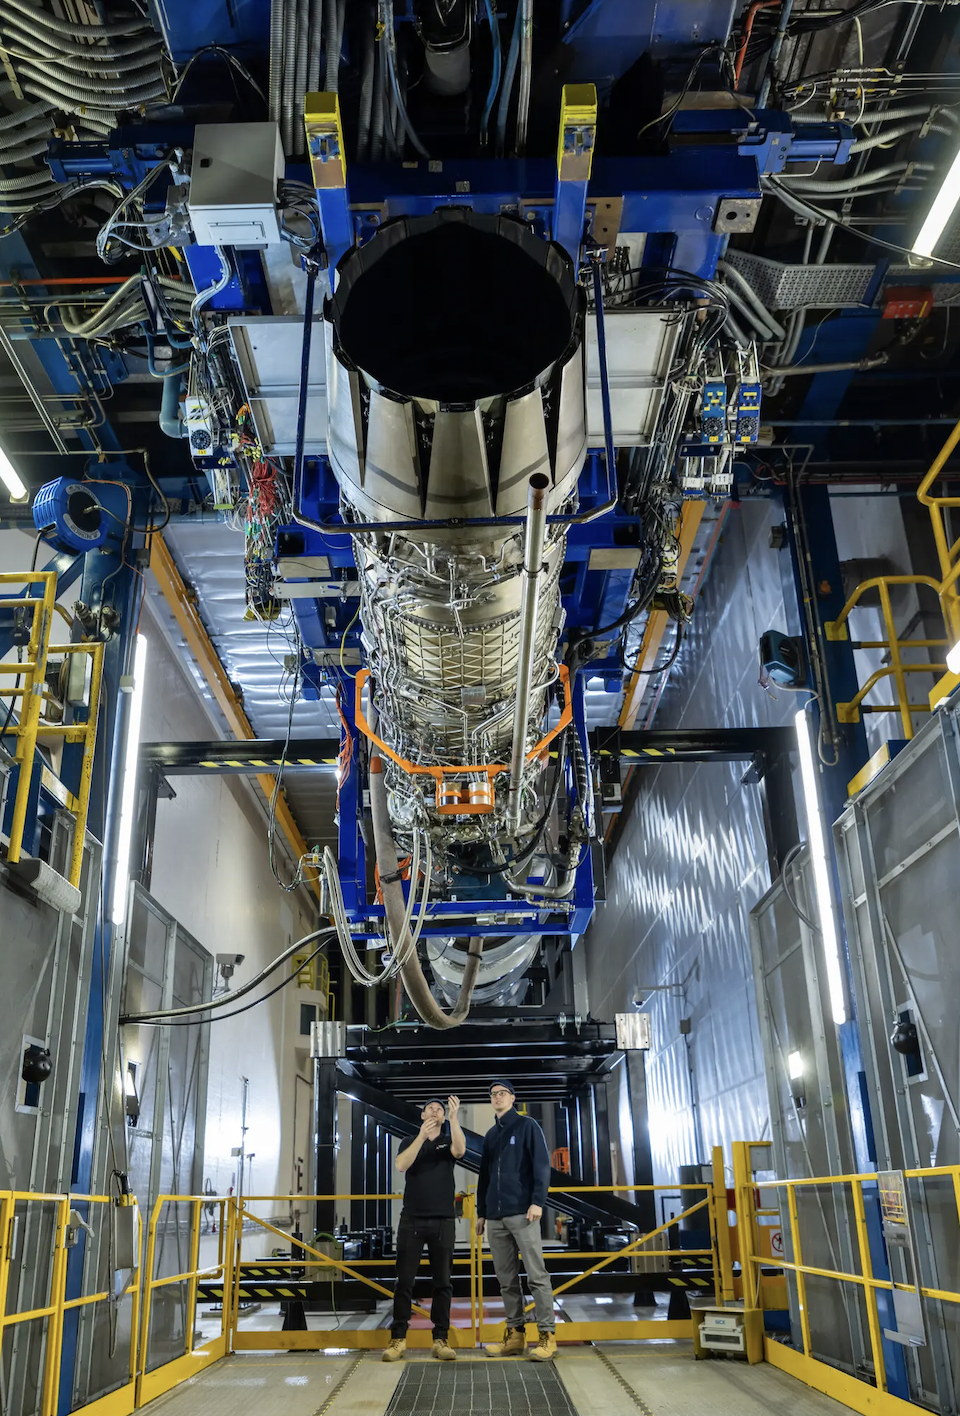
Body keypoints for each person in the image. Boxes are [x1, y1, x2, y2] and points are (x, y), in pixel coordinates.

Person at [476, 1079, 557, 1361]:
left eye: (502, 1093)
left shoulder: (527, 1126)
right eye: (493, 1094)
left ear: (512, 1098)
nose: (497, 1097)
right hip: (496, 1218)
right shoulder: (490, 1135)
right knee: (506, 1279)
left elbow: (541, 1166)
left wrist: (537, 1201)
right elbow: (484, 1176)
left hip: (523, 1213)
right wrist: (481, 1213)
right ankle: (515, 1336)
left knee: (536, 1275)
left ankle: (547, 1336)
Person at [382, 1094, 465, 1363]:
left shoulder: (448, 1140)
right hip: (412, 1221)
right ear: (422, 1115)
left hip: (443, 1221)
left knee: (442, 1283)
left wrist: (453, 1119)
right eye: (430, 1108)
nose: (434, 1110)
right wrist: (420, 1137)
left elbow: (461, 1151)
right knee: (404, 1281)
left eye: (439, 1108)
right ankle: (398, 1339)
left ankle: (441, 1339)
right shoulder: (409, 1142)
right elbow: (401, 1165)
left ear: (443, 1116)